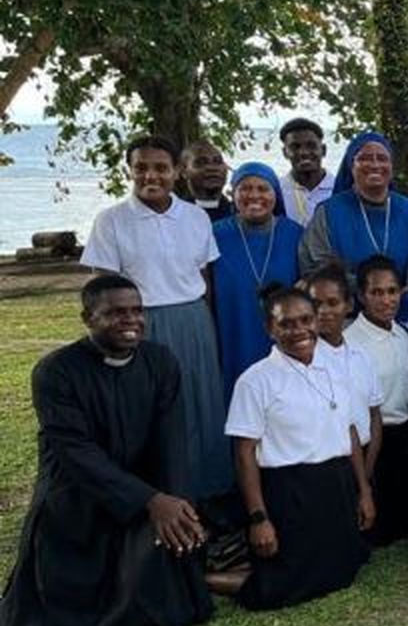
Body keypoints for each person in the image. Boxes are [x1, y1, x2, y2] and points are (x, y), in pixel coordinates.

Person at [0, 276, 213, 626]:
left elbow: (171, 442)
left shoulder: (160, 361)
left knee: (169, 576)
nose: (130, 320)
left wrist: (178, 505)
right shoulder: (56, 372)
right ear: (88, 318)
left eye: (136, 311)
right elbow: (75, 453)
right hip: (76, 494)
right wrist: (149, 500)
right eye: (115, 313)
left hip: (143, 489)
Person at [80, 136, 234, 500]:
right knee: (151, 410)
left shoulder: (195, 217)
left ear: (177, 171)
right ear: (129, 172)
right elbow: (103, 286)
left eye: (161, 168)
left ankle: (209, 493)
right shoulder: (112, 221)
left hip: (193, 321)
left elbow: (205, 279)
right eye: (142, 168)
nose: (151, 176)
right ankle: (157, 495)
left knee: (201, 406)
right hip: (140, 323)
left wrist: (208, 326)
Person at [213, 286, 373, 608]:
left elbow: (350, 432)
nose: (299, 330)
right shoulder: (255, 381)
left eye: (306, 320)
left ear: (316, 320)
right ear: (269, 329)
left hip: (336, 483)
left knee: (343, 570)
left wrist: (364, 490)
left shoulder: (334, 369)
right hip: (290, 491)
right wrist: (259, 518)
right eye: (286, 324)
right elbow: (244, 454)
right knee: (281, 585)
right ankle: (204, 578)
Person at [211, 162, 303, 403]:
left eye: (263, 189)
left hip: (284, 333)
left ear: (276, 194)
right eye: (245, 188)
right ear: (233, 194)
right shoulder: (214, 234)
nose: (254, 195)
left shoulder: (295, 234)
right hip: (232, 331)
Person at [346, 256, 408, 545]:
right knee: (378, 527)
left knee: (405, 515)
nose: (386, 300)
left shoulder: (401, 334)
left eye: (392, 291)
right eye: (376, 292)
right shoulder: (351, 342)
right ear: (362, 296)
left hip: (404, 431)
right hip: (373, 438)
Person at [298, 130, 408, 282]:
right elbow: (315, 268)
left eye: (382, 158)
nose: (375, 165)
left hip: (405, 296)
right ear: (351, 166)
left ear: (391, 167)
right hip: (346, 296)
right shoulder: (328, 212)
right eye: (365, 158)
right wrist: (365, 288)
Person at [305, 265, 383, 473]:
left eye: (332, 303)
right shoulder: (304, 361)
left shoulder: (361, 356)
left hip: (366, 459)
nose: (323, 311)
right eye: (315, 304)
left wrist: (366, 471)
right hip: (324, 463)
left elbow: (375, 415)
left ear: (349, 305)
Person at [279, 117, 334, 226]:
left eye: (311, 146)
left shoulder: (339, 189)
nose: (303, 152)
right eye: (295, 147)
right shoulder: (276, 192)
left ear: (323, 150)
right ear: (285, 152)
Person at [180, 140, 233, 221]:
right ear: (184, 171)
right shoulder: (171, 215)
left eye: (218, 161)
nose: (212, 168)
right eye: (201, 163)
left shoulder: (240, 215)